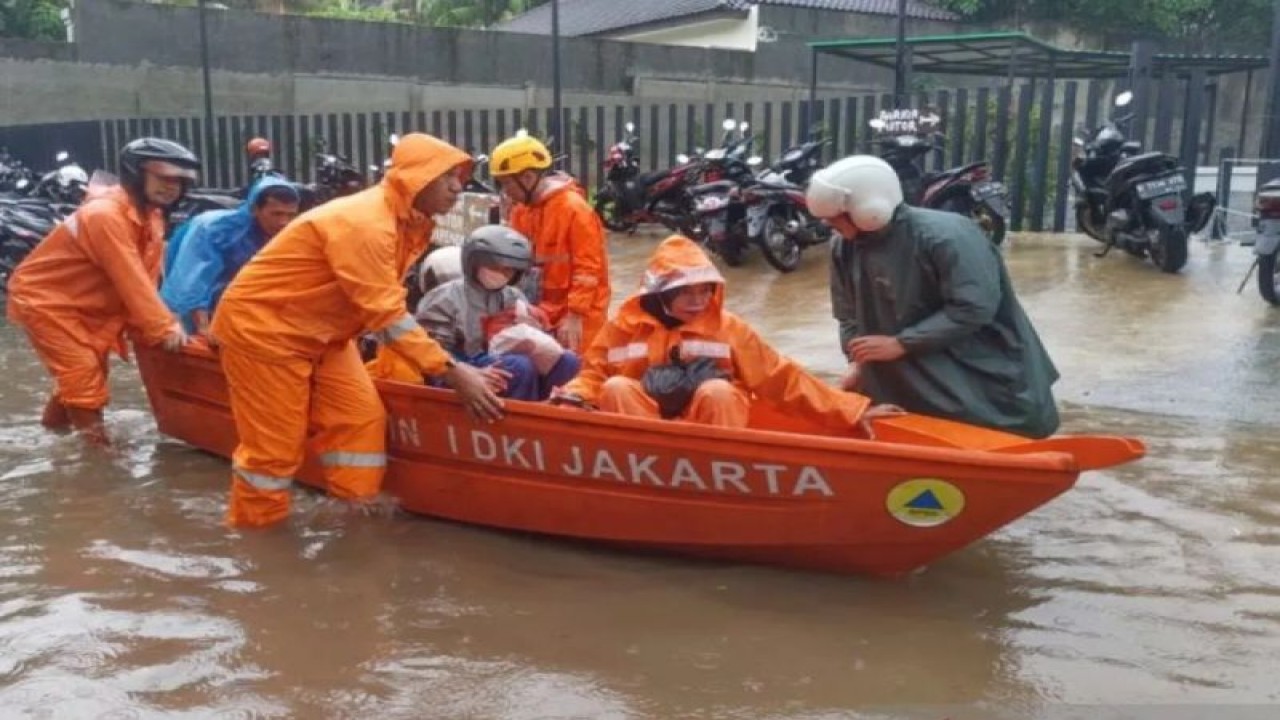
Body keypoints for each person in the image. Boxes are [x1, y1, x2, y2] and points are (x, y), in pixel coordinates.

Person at [210, 133, 504, 529]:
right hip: (265, 330)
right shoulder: (366, 223)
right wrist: (452, 371)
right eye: (447, 177)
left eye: (461, 177)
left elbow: (385, 307)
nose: (458, 187)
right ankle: (257, 542)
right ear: (416, 179)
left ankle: (354, 512)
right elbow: (387, 315)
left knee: (362, 419)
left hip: (327, 335)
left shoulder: (409, 222)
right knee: (272, 455)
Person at [807, 154, 1060, 439]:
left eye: (835, 218)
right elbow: (848, 313)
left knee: (986, 434)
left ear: (866, 209)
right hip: (902, 369)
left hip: (973, 365)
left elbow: (974, 308)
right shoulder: (844, 246)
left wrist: (902, 343)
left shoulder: (947, 236)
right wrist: (857, 361)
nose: (829, 224)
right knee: (909, 438)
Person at [552, 235, 897, 432]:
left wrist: (850, 411)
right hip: (644, 439)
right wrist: (569, 398)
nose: (699, 301)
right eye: (688, 292)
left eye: (705, 291)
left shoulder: (728, 328)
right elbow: (593, 374)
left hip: (712, 439)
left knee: (719, 391)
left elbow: (781, 379)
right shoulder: (622, 327)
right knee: (616, 387)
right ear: (661, 294)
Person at [5, 138, 198, 446]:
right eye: (164, 178)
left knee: (87, 373)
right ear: (136, 173)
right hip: (47, 301)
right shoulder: (105, 215)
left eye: (179, 181)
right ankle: (97, 460)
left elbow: (146, 277)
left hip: (87, 303)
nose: (172, 187)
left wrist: (151, 327)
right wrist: (163, 326)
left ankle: (52, 432)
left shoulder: (152, 216)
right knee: (83, 375)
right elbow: (128, 275)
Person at [415, 225, 580, 401]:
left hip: (501, 361)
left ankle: (550, 414)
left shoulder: (514, 296)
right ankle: (517, 422)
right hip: (457, 369)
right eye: (494, 267)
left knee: (568, 361)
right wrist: (466, 369)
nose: (502, 274)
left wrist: (539, 329)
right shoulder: (443, 298)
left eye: (508, 270)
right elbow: (432, 354)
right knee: (519, 366)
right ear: (474, 263)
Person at [489, 132, 609, 353]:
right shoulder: (521, 211)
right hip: (541, 311)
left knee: (579, 377)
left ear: (526, 178)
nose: (505, 190)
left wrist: (574, 316)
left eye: (507, 182)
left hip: (579, 317)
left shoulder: (574, 209)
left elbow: (589, 269)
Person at [161, 176, 300, 337]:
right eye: (276, 214)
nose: (284, 222)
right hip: (193, 263)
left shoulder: (288, 233)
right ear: (255, 209)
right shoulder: (216, 230)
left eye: (291, 215)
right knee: (187, 330)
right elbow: (195, 279)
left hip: (231, 284)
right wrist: (204, 329)